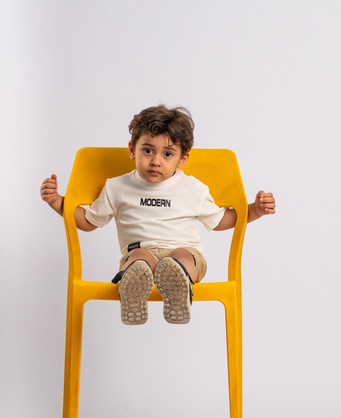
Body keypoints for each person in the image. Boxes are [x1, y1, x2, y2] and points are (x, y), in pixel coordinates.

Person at [40, 105, 276, 326]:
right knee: (139, 257)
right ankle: (133, 293)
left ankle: (178, 287)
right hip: (140, 253)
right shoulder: (117, 187)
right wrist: (58, 202)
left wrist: (254, 210)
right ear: (132, 149)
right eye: (148, 150)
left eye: (167, 154)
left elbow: (219, 221)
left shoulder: (192, 188)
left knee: (181, 256)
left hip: (185, 254)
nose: (155, 160)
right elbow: (88, 221)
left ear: (182, 159)